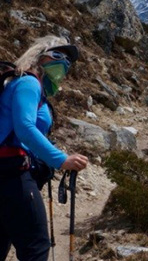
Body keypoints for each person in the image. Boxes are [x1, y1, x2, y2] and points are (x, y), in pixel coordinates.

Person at [0, 36, 88, 261]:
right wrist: (60, 159)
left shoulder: (23, 84)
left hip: (6, 171)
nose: (65, 63)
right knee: (36, 247)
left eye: (68, 60)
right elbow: (24, 128)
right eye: (58, 55)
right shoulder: (29, 83)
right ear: (40, 57)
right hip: (12, 174)